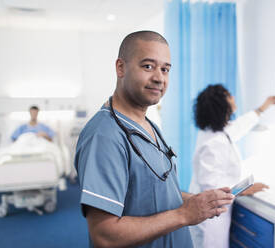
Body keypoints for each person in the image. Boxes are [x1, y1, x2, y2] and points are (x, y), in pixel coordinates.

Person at [74, 31, 234, 248]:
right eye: (148, 66)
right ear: (120, 67)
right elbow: (104, 235)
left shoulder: (149, 126)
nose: (159, 77)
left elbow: (158, 190)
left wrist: (195, 201)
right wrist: (184, 215)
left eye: (165, 69)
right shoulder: (104, 136)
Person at [189, 84, 275, 248]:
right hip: (209, 219)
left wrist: (263, 107)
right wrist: (243, 189)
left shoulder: (216, 131)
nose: (234, 97)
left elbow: (239, 126)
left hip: (215, 212)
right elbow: (209, 185)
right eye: (229, 95)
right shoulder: (213, 142)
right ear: (221, 104)